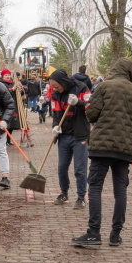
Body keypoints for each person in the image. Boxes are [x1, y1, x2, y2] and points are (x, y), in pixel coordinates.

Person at [73, 58, 132, 248]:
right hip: (125, 151)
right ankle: (115, 235)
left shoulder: (104, 86)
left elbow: (91, 115)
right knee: (120, 190)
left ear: (115, 69)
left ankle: (94, 233)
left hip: (101, 147)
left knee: (96, 187)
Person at [48, 69, 92, 209]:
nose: (55, 89)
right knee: (61, 167)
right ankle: (64, 193)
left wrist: (78, 102)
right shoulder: (55, 95)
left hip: (79, 135)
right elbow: (55, 113)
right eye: (53, 87)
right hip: (64, 136)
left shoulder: (81, 88)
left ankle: (81, 197)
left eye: (56, 86)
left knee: (80, 169)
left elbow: (91, 107)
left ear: (63, 82)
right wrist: (55, 127)